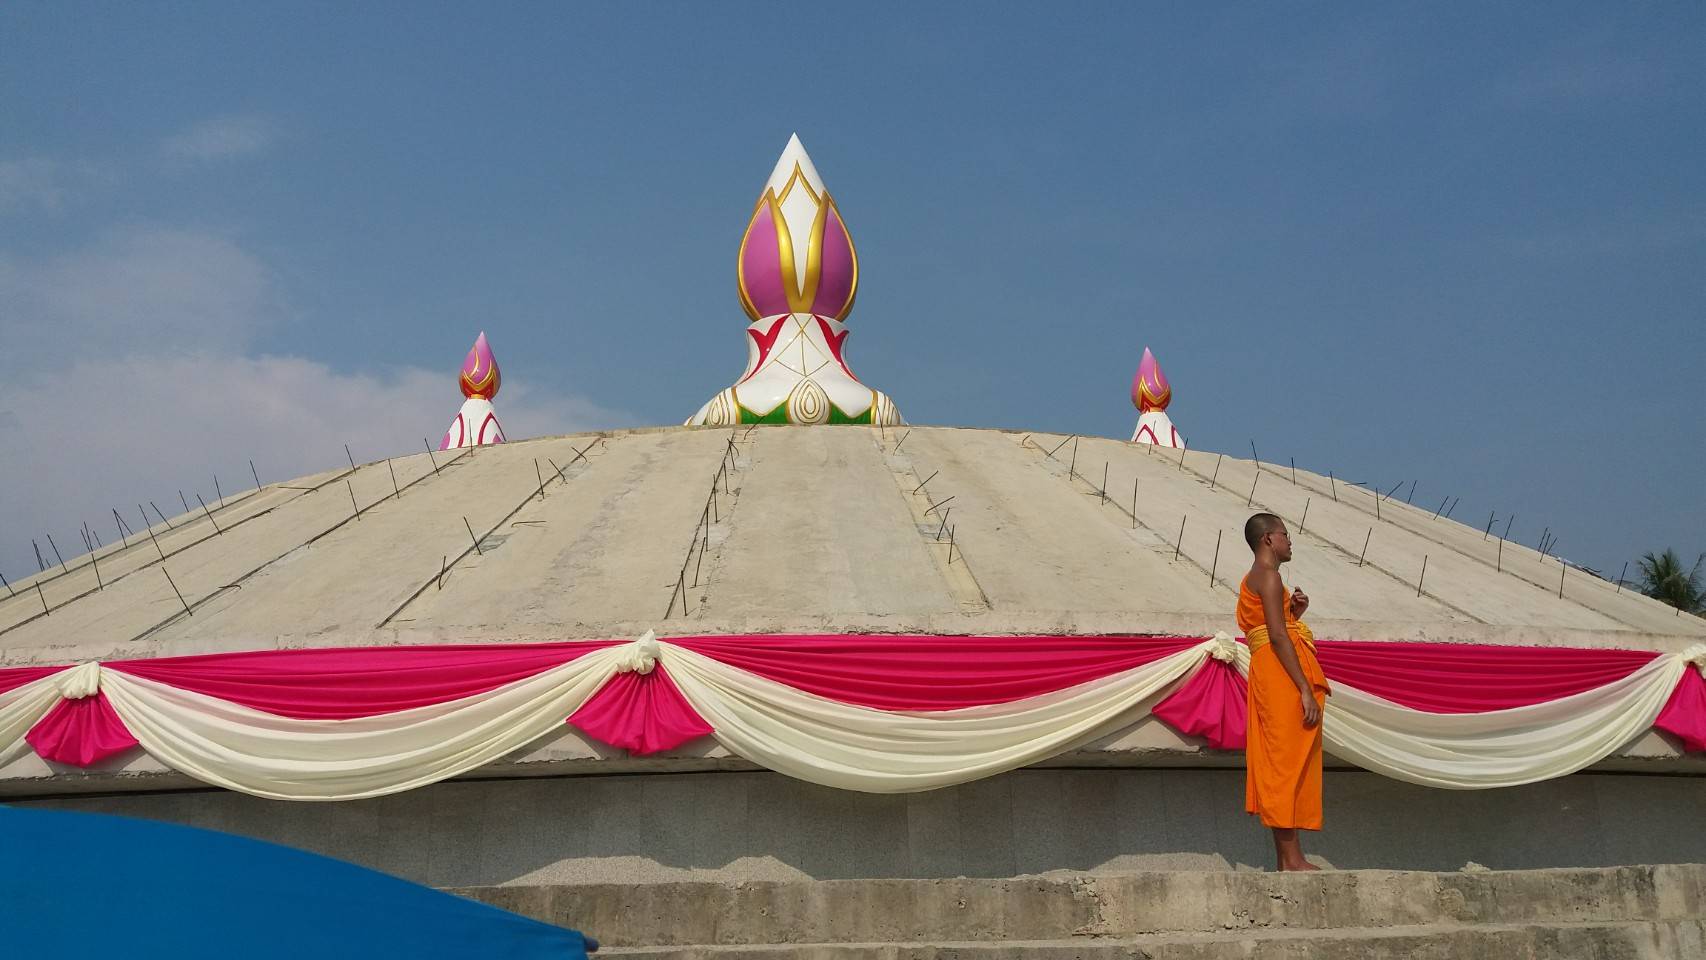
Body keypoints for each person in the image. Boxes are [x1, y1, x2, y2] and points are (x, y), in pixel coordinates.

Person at [1238, 512, 1330, 871]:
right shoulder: (1269, 576)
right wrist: (1304, 688)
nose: (1289, 541)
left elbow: (1276, 627)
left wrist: (1294, 615)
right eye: (1285, 535)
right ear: (1268, 539)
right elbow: (1277, 636)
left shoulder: (1259, 577)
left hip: (1272, 670)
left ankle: (1287, 859)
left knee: (1284, 760)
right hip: (1281, 676)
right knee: (1284, 764)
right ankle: (1292, 859)